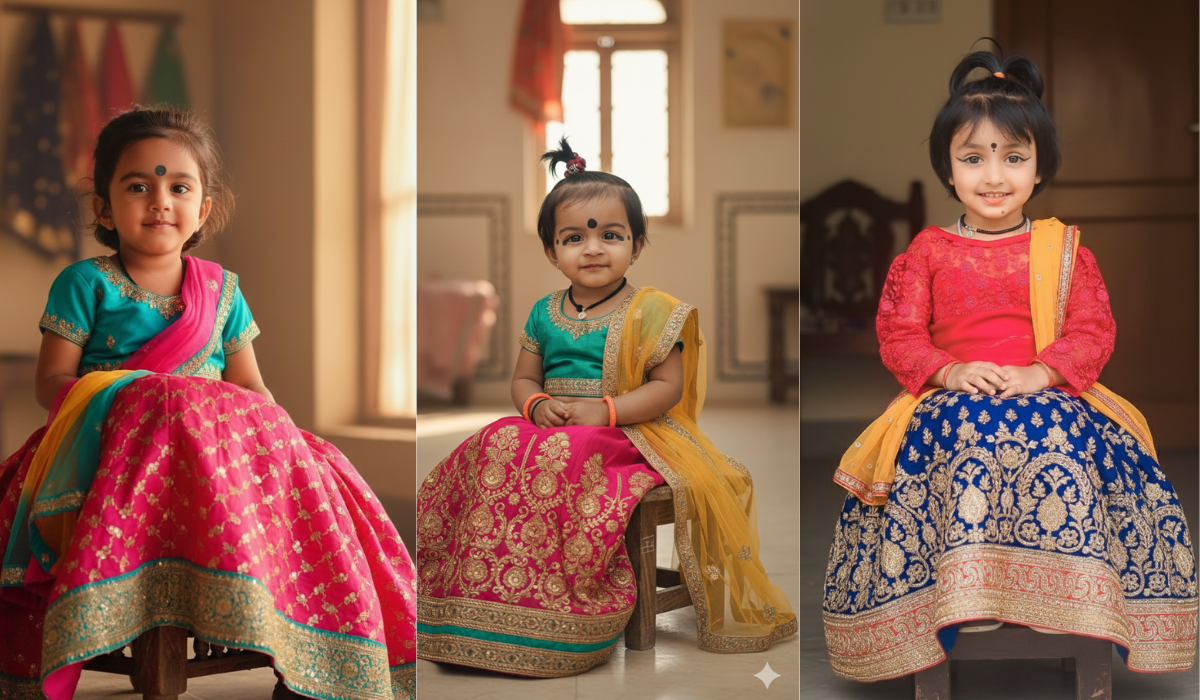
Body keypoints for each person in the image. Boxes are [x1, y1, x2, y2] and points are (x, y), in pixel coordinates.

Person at [0, 107, 416, 700]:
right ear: (103, 207)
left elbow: (251, 389)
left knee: (324, 477)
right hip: (109, 448)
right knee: (168, 402)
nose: (159, 201)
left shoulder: (223, 289)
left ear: (204, 209)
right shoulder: (84, 282)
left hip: (217, 456)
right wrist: (138, 394)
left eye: (179, 187)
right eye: (138, 186)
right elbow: (53, 383)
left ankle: (312, 664)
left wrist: (280, 437)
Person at [822, 49, 1198, 681]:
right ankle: (970, 598)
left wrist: (1041, 375)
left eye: (1013, 157)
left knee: (1054, 430)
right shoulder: (927, 252)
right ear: (947, 168)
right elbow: (898, 333)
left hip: (1048, 388)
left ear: (1039, 167)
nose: (993, 176)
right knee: (964, 428)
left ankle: (1068, 599)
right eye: (973, 159)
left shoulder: (1067, 249)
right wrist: (949, 372)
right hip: (949, 393)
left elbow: (1092, 331)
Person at [415, 138, 796, 677]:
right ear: (552, 251)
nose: (593, 249)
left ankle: (569, 601)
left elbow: (667, 387)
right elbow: (522, 378)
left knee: (564, 461)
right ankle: (487, 599)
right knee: (493, 446)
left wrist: (609, 410)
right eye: (574, 238)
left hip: (628, 430)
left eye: (610, 235)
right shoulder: (543, 313)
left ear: (636, 246)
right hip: (551, 424)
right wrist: (537, 403)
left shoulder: (653, 312)